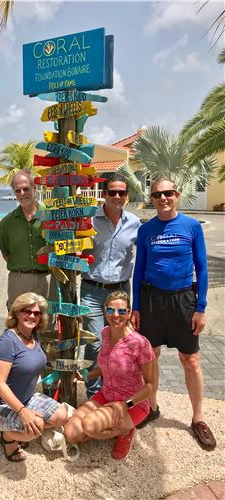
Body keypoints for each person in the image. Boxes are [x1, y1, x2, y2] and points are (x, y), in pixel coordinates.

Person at [131, 177, 216, 450]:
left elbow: (202, 269)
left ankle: (198, 418)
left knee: (190, 359)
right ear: (151, 199)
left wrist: (200, 307)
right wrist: (136, 306)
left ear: (176, 195)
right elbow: (138, 270)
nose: (163, 198)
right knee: (150, 355)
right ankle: (151, 407)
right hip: (152, 299)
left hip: (183, 300)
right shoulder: (146, 230)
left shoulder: (191, 226)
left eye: (167, 193)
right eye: (157, 195)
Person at [64, 291, 156, 460]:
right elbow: (107, 366)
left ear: (129, 313)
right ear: (104, 311)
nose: (116, 315)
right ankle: (106, 427)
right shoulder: (106, 333)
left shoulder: (140, 344)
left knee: (89, 425)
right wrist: (87, 376)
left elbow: (151, 385)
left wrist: (125, 405)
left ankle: (126, 430)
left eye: (122, 311)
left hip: (131, 403)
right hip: (106, 395)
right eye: (111, 310)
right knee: (70, 434)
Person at [0, 293, 68, 462]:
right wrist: (23, 412)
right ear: (17, 313)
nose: (32, 316)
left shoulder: (32, 335)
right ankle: (7, 437)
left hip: (26, 398)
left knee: (61, 416)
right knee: (36, 427)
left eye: (36, 313)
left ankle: (19, 429)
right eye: (26, 311)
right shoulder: (7, 343)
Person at [80, 174, 141, 398]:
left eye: (121, 192)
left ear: (126, 195)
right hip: (92, 290)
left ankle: (114, 390)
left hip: (121, 291)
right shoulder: (89, 221)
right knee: (95, 342)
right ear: (103, 194)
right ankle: (94, 395)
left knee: (119, 343)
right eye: (112, 192)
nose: (117, 196)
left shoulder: (134, 223)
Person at [0, 170, 49, 310]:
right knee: (18, 325)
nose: (22, 194)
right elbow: (6, 254)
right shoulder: (6, 223)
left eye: (26, 189)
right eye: (17, 191)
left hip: (46, 279)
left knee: (47, 326)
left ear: (34, 188)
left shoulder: (51, 217)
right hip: (19, 280)